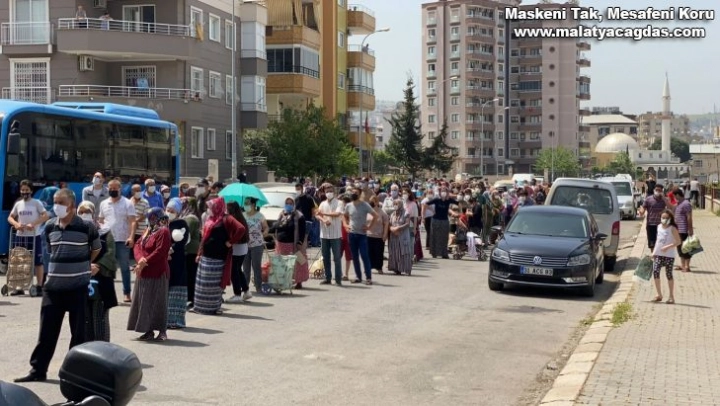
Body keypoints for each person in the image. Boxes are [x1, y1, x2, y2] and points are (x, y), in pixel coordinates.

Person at [15, 189, 101, 383]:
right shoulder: (49, 226)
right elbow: (51, 250)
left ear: (72, 205)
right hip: (53, 288)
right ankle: (38, 371)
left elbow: (96, 248)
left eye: (61, 202)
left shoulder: (86, 227)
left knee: (78, 333)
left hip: (77, 287)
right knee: (46, 332)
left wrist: (85, 263)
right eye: (55, 202)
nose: (57, 206)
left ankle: (75, 373)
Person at [193, 198, 245, 315]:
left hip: (218, 259)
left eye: (211, 207)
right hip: (205, 257)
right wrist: (199, 253)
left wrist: (231, 242)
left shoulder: (227, 218)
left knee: (214, 286)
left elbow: (241, 229)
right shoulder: (210, 219)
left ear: (217, 207)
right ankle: (200, 307)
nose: (209, 209)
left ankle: (212, 308)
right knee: (202, 284)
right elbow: (204, 238)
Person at [127, 208, 172, 341]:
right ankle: (148, 330)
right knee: (144, 302)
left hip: (158, 272)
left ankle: (162, 331)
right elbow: (137, 245)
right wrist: (140, 259)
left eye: (153, 217)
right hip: (144, 272)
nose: (151, 220)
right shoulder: (148, 231)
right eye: (150, 217)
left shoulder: (163, 231)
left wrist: (145, 261)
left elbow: (161, 251)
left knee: (158, 302)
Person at [77, 201, 117, 342]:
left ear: (93, 214)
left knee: (100, 315)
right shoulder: (73, 232)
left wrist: (98, 266)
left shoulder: (105, 232)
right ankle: (87, 346)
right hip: (81, 278)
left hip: (101, 278)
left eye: (87, 212)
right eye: (81, 212)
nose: (84, 215)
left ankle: (102, 346)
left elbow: (111, 253)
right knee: (84, 317)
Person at [98, 179, 136, 304]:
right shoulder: (104, 203)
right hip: (107, 239)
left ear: (120, 189)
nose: (113, 190)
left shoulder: (127, 203)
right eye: (111, 188)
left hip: (122, 239)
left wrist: (131, 237)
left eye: (115, 188)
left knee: (124, 267)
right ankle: (106, 293)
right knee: (106, 266)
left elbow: (132, 221)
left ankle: (126, 293)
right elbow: (101, 220)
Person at [8, 179, 49, 295]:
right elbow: (10, 217)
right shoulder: (18, 204)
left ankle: (39, 286)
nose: (24, 192)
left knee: (38, 263)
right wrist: (16, 224)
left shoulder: (36, 203)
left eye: (26, 190)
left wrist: (33, 224)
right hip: (21, 236)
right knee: (20, 262)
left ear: (31, 191)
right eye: (22, 190)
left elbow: (45, 216)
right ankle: (19, 286)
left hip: (34, 236)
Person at [270, 198, 309, 289]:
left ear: (294, 204)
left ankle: (299, 282)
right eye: (287, 203)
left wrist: (300, 242)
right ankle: (283, 281)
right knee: (282, 263)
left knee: (299, 262)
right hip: (281, 243)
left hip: (294, 244)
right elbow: (276, 226)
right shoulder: (282, 214)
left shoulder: (299, 216)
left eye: (290, 203)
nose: (289, 205)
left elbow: (302, 230)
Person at [343, 187, 378, 285]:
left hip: (362, 235)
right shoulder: (348, 205)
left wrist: (369, 227)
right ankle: (358, 276)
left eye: (356, 192)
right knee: (354, 257)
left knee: (364, 256)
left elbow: (375, 216)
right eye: (352, 192)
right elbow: (344, 216)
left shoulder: (365, 205)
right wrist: (346, 225)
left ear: (360, 194)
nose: (353, 194)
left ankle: (368, 277)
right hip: (352, 234)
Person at [165, 198, 189, 329]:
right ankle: (164, 320)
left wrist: (171, 249)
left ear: (178, 212)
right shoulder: (163, 223)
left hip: (177, 260)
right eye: (168, 210)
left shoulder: (182, 224)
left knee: (176, 287)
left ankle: (176, 321)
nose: (169, 212)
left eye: (172, 211)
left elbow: (182, 241)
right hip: (165, 260)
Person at [316, 184, 344, 285]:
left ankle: (338, 279)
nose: (329, 193)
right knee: (325, 257)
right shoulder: (322, 203)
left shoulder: (339, 203)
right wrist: (324, 220)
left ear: (334, 192)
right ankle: (328, 278)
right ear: (324, 192)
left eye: (331, 191)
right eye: (327, 191)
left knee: (336, 258)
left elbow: (337, 214)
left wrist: (324, 214)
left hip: (335, 234)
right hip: (324, 234)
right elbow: (317, 215)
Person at [651, 209, 681, 304]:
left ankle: (671, 296)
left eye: (666, 218)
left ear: (670, 219)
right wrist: (654, 252)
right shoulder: (659, 227)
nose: (664, 219)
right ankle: (659, 294)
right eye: (662, 217)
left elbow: (678, 241)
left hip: (669, 255)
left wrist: (668, 247)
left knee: (668, 274)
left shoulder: (672, 228)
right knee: (655, 272)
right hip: (658, 254)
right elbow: (658, 241)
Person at [226, 201, 252, 303]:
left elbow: (240, 231)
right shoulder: (241, 217)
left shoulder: (233, 218)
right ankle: (246, 290)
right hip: (243, 248)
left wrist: (231, 241)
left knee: (234, 272)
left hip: (236, 248)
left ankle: (237, 294)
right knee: (238, 270)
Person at [242, 197, 269, 292]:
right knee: (246, 268)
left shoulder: (260, 216)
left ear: (253, 205)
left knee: (256, 266)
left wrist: (265, 232)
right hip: (245, 245)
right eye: (245, 203)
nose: (246, 205)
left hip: (257, 245)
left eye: (247, 203)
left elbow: (266, 227)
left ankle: (258, 286)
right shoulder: (243, 215)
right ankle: (245, 288)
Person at [180, 198, 201, 308]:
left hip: (190, 251)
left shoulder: (190, 219)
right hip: (190, 250)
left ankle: (191, 298)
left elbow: (186, 235)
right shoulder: (189, 217)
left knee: (190, 275)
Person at [426, 187, 458, 259]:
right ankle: (434, 253)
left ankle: (444, 253)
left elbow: (458, 203)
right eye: (442, 191)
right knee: (435, 236)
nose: (444, 192)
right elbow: (426, 204)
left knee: (444, 237)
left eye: (445, 191)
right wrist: (432, 211)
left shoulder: (448, 200)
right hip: (436, 220)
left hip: (444, 220)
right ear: (440, 192)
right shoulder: (436, 200)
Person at [639, 184, 672, 250]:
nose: (658, 191)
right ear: (654, 190)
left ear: (662, 191)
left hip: (661, 225)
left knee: (661, 243)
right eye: (656, 190)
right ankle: (654, 256)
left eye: (659, 190)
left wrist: (664, 198)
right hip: (651, 225)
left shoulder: (664, 200)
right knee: (652, 245)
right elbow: (643, 207)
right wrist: (641, 211)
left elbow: (670, 208)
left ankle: (659, 255)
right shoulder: (648, 199)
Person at [388, 200, 413, 275]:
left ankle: (407, 269)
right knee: (395, 252)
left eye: (397, 204)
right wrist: (392, 229)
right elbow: (389, 224)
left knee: (404, 253)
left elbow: (407, 224)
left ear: (401, 204)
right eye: (394, 204)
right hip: (394, 236)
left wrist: (398, 228)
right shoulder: (392, 214)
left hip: (403, 236)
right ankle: (396, 269)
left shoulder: (406, 213)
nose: (395, 205)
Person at [366, 195, 389, 275]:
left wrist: (385, 234)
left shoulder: (382, 212)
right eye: (370, 201)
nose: (371, 203)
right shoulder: (368, 212)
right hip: (368, 235)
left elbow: (386, 223)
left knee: (379, 253)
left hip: (379, 236)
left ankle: (379, 268)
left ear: (376, 202)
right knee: (369, 253)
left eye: (373, 201)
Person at [672, 188, 693, 273]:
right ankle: (682, 265)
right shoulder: (678, 204)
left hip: (684, 230)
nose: (674, 198)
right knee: (679, 248)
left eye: (674, 196)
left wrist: (690, 229)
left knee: (686, 248)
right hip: (678, 230)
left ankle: (687, 266)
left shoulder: (686, 204)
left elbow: (689, 217)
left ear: (677, 195)